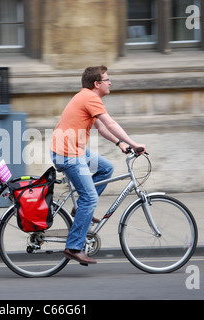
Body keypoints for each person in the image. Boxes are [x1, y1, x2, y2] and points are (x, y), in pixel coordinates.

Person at [50, 65, 146, 265]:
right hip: (68, 153)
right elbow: (111, 124)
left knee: (106, 168)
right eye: (107, 79)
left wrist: (120, 143)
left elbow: (101, 128)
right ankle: (74, 247)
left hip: (72, 149)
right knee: (90, 198)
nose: (110, 83)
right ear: (97, 84)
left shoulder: (86, 97)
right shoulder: (90, 97)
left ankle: (79, 211)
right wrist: (134, 143)